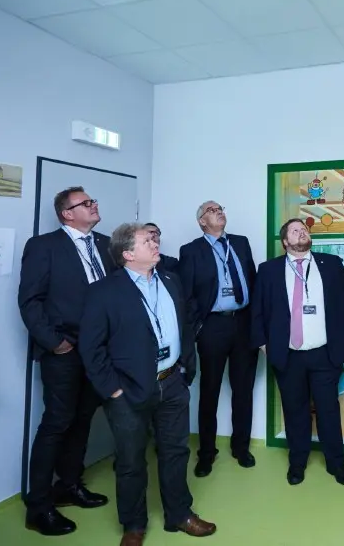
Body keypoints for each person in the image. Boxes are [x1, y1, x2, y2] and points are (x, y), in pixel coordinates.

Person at [79, 223, 215, 545]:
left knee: (176, 452)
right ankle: (134, 525)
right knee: (130, 461)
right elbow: (91, 348)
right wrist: (113, 389)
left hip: (172, 383)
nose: (155, 243)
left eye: (154, 239)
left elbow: (185, 326)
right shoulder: (103, 291)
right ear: (128, 254)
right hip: (128, 390)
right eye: (146, 241)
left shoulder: (170, 280)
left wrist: (185, 369)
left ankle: (179, 514)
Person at [18, 187, 111, 536]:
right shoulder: (44, 246)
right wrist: (54, 342)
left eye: (93, 200)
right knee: (57, 423)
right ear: (67, 213)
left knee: (83, 419)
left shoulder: (105, 244)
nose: (94, 204)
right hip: (64, 351)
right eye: (86, 203)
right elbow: (30, 300)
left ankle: (69, 485)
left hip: (99, 351)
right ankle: (39, 507)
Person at [251, 218, 344, 486]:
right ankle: (297, 463)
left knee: (328, 410)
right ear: (285, 241)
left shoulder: (330, 264)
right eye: (295, 230)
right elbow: (257, 310)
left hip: (324, 354)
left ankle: (337, 464)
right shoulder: (269, 270)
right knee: (294, 410)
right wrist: (263, 344)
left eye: (305, 229)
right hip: (288, 355)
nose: (302, 232)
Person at [178, 200, 259, 477]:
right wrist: (198, 328)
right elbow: (187, 294)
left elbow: (253, 282)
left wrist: (257, 323)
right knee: (209, 391)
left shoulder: (241, 243)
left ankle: (241, 447)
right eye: (212, 211)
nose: (219, 212)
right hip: (213, 326)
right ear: (202, 221)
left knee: (243, 390)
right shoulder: (191, 250)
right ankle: (206, 453)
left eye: (220, 208)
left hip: (243, 323)